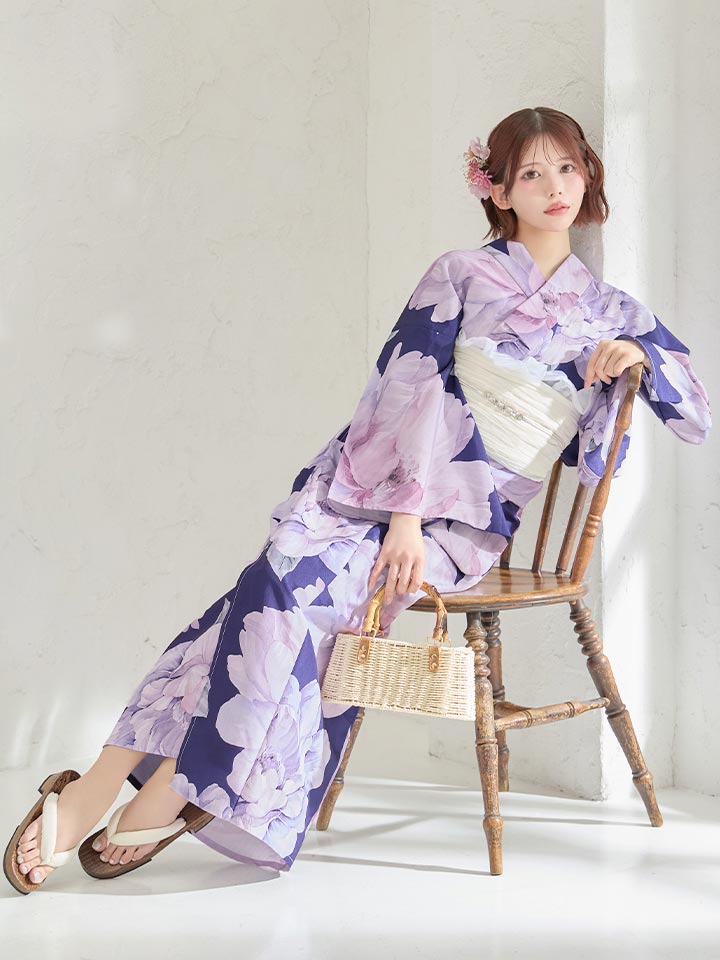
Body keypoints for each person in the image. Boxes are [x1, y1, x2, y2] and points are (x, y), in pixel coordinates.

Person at [5, 106, 711, 894]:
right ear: (499, 191)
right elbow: (407, 388)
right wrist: (403, 515)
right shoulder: (461, 272)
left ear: (588, 175)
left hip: (468, 523)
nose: (556, 187)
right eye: (532, 173)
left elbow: (696, 417)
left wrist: (637, 355)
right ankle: (132, 787)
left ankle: (145, 786)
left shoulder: (611, 308)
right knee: (277, 579)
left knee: (289, 595)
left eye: (569, 168)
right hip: (376, 490)